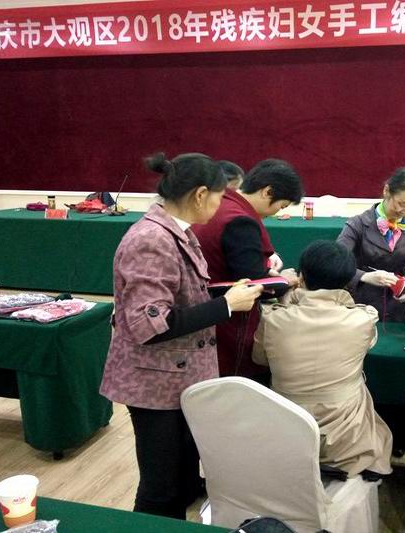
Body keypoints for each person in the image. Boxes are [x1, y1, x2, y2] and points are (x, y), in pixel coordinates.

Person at [99, 152, 263, 519]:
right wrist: (225, 306)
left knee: (183, 476)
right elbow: (148, 324)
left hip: (179, 379)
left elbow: (181, 295)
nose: (220, 207)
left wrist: (226, 294)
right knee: (160, 488)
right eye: (220, 198)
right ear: (201, 194)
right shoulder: (151, 239)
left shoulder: (177, 232)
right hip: (154, 385)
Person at [252, 240, 393, 477]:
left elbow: (260, 359)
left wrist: (287, 296)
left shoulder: (272, 319)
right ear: (347, 281)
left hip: (285, 430)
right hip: (347, 439)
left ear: (300, 277)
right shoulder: (363, 319)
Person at [192, 158, 304, 379]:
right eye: (281, 206)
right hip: (226, 320)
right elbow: (251, 283)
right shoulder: (240, 221)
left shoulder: (221, 204)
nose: (277, 213)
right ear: (267, 192)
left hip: (205, 307)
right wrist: (284, 281)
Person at [337, 167, 405, 323]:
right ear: (387, 191)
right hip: (360, 305)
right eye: (402, 204)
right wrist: (365, 276)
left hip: (399, 306)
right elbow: (336, 263)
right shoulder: (357, 224)